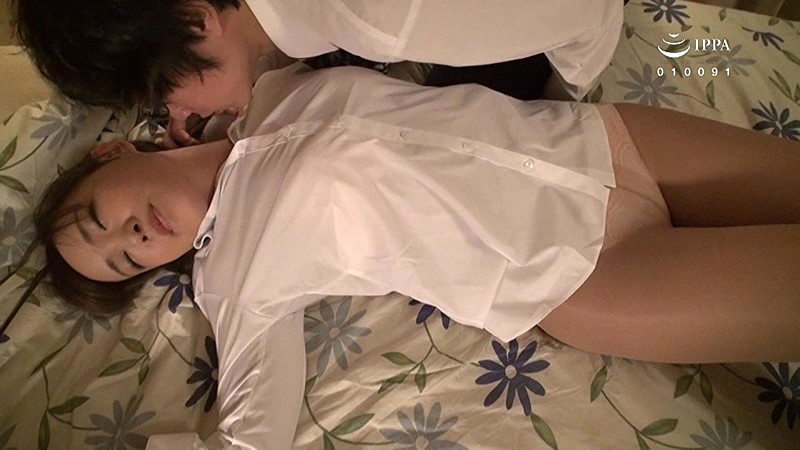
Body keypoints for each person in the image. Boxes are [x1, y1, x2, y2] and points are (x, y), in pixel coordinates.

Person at [35, 64, 800, 449]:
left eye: (100, 219)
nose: (132, 240)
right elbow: (251, 434)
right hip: (586, 271)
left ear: (110, 152)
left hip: (603, 139)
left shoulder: (257, 89)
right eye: (124, 262)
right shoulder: (231, 275)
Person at [13, 0, 623, 146]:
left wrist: (563, 99)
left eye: (160, 95)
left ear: (196, 21)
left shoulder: (378, 20)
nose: (176, 114)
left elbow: (587, 16)